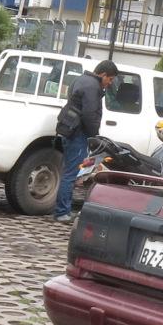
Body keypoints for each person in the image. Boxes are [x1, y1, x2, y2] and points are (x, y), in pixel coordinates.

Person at [54, 60, 118, 222]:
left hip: (69, 130)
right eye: (109, 79)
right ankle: (62, 213)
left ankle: (62, 210)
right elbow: (89, 114)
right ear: (103, 74)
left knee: (68, 171)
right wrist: (94, 136)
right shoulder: (93, 87)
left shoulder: (81, 79)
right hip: (78, 133)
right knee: (71, 173)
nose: (109, 83)